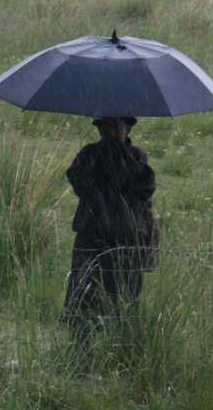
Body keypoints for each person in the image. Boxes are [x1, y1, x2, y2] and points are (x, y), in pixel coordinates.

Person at [62, 116, 158, 328]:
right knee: (83, 298)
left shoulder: (136, 155)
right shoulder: (89, 153)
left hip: (126, 239)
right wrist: (101, 159)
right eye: (106, 126)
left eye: (117, 126)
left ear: (128, 129)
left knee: (126, 301)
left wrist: (122, 155)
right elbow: (79, 183)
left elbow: (147, 186)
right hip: (91, 239)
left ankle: (124, 350)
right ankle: (79, 352)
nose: (111, 132)